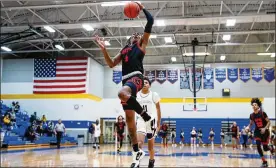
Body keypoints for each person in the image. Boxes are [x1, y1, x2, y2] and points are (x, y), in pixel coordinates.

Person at [95, 2, 154, 167]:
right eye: (133, 34)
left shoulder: (141, 45)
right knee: (130, 123)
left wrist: (141, 8)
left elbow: (150, 21)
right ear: (129, 39)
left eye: (137, 34)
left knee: (121, 93)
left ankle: (146, 116)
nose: (136, 35)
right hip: (126, 80)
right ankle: (136, 152)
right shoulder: (123, 50)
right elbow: (112, 64)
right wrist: (104, 49)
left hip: (136, 77)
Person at [136, 77, 161, 168]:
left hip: (151, 121)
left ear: (149, 85)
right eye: (143, 82)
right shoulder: (137, 95)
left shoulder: (154, 95)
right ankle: (137, 161)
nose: (144, 84)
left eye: (146, 82)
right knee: (139, 143)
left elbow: (158, 109)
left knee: (150, 147)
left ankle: (151, 160)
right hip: (141, 120)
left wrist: (158, 123)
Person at [246, 98, 274, 167]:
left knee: (265, 148)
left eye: (255, 105)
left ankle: (271, 148)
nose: (254, 106)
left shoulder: (262, 113)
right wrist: (248, 127)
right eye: (253, 105)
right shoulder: (252, 115)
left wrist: (265, 128)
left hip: (265, 132)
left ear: (258, 106)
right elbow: (251, 123)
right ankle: (264, 161)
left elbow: (269, 122)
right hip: (257, 131)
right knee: (258, 145)